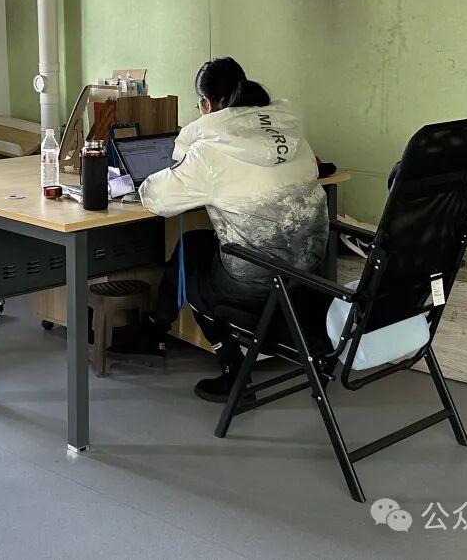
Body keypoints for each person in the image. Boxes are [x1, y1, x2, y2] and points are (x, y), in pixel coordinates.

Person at [112, 57, 329, 402]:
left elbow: (157, 199)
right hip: (307, 272)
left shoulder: (210, 150)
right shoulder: (291, 134)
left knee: (191, 265)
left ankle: (232, 371)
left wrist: (161, 173)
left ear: (206, 104)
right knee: (194, 244)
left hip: (257, 278)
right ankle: (154, 331)